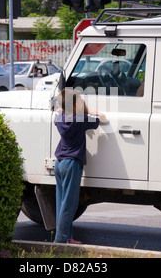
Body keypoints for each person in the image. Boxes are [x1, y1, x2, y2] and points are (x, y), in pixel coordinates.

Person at [53, 88, 106, 244]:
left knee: (61, 202)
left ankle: (67, 238)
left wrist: (68, 107)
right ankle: (61, 240)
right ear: (76, 104)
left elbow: (59, 111)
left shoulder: (59, 118)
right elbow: (101, 118)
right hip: (72, 164)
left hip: (59, 162)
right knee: (69, 204)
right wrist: (89, 110)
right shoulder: (81, 120)